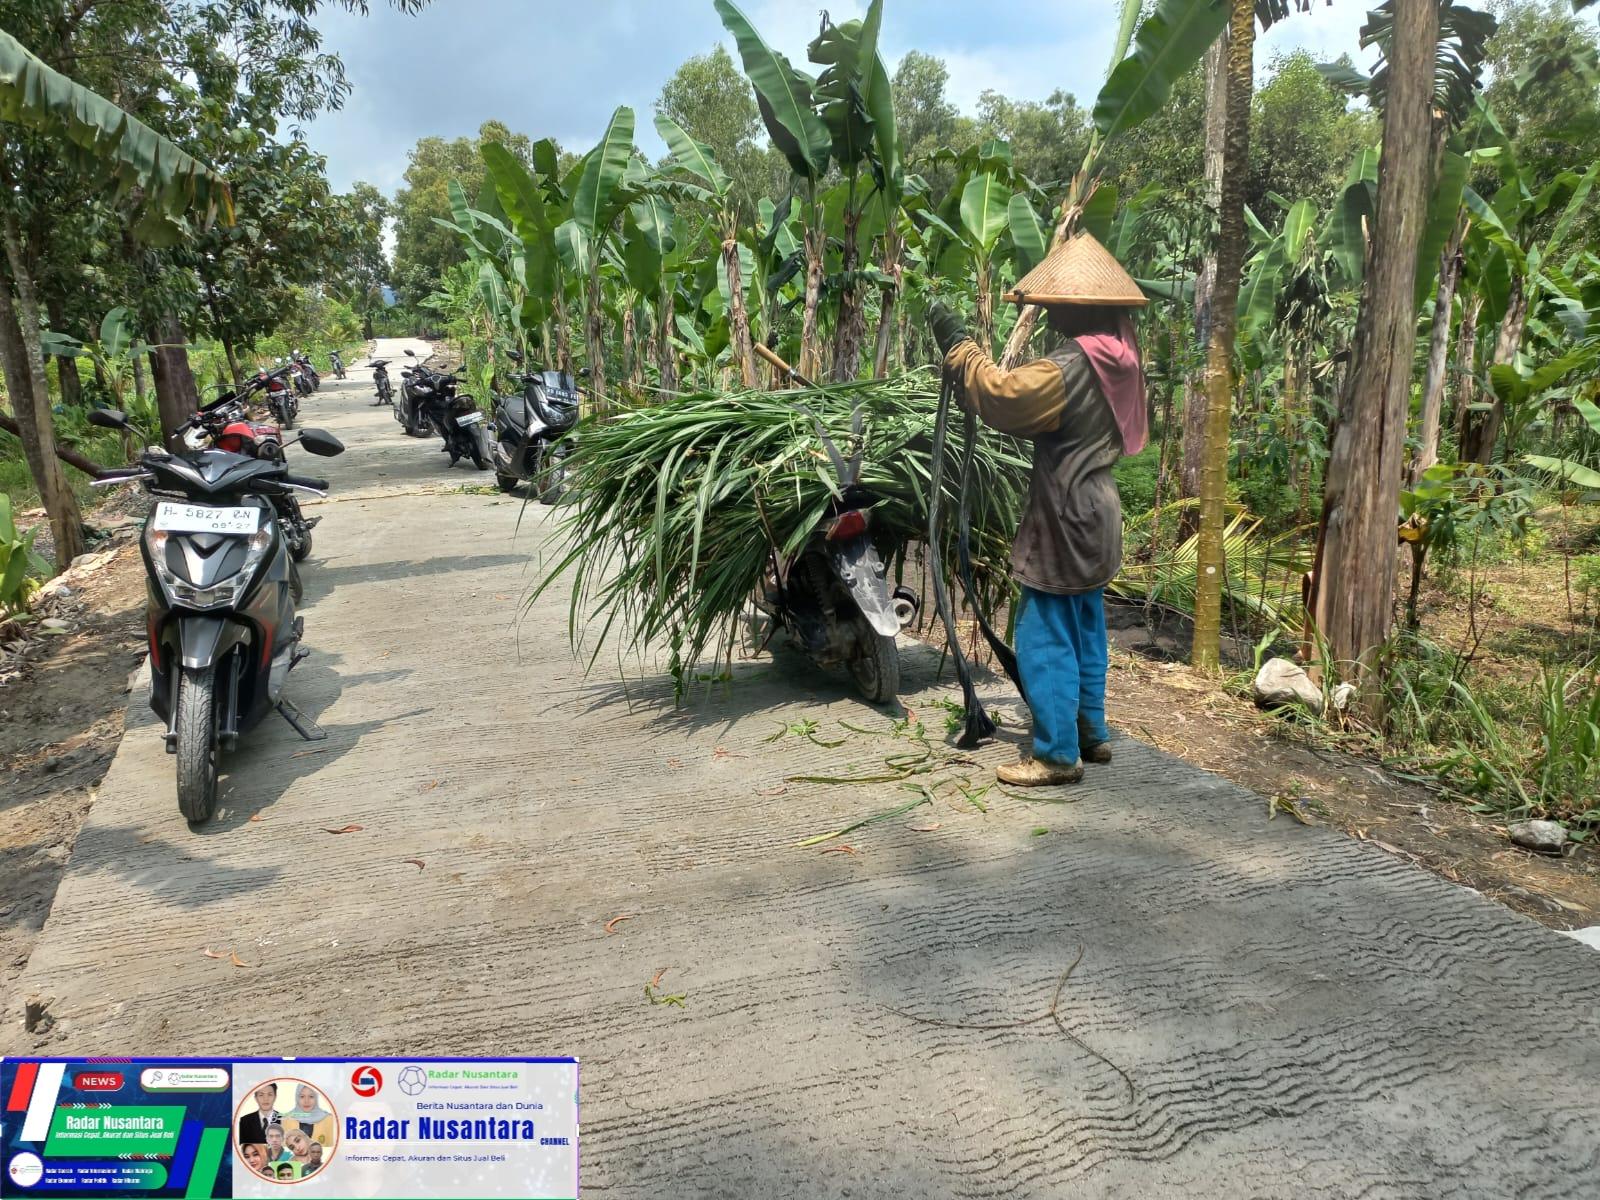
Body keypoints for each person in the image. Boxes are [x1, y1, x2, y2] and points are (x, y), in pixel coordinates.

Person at [926, 231, 1148, 787]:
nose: (1047, 313)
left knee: (1044, 629)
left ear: (1076, 307)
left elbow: (1003, 397)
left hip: (1066, 514)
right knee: (1085, 625)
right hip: (1101, 511)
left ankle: (1054, 755)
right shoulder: (1122, 356)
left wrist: (962, 350)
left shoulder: (1073, 366)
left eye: (1053, 305)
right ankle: (1090, 733)